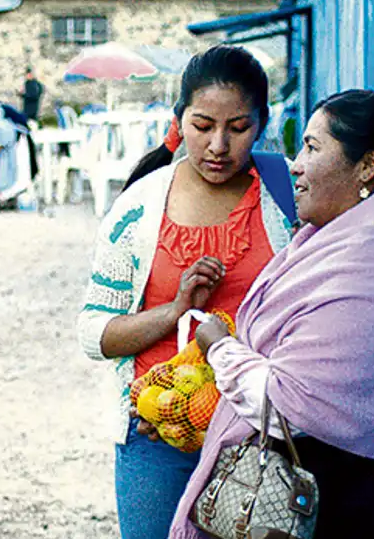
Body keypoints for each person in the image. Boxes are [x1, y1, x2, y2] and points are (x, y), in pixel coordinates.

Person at [168, 89, 374, 539]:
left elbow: (284, 405)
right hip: (334, 489)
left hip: (346, 502)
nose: (294, 164)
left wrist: (219, 347)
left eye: (313, 148)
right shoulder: (339, 243)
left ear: (368, 166)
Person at [76, 45, 294, 539]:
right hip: (157, 436)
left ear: (262, 122)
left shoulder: (287, 201)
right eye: (202, 126)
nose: (219, 144)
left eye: (238, 128)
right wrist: (176, 311)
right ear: (179, 120)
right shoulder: (139, 210)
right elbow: (94, 334)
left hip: (259, 432)